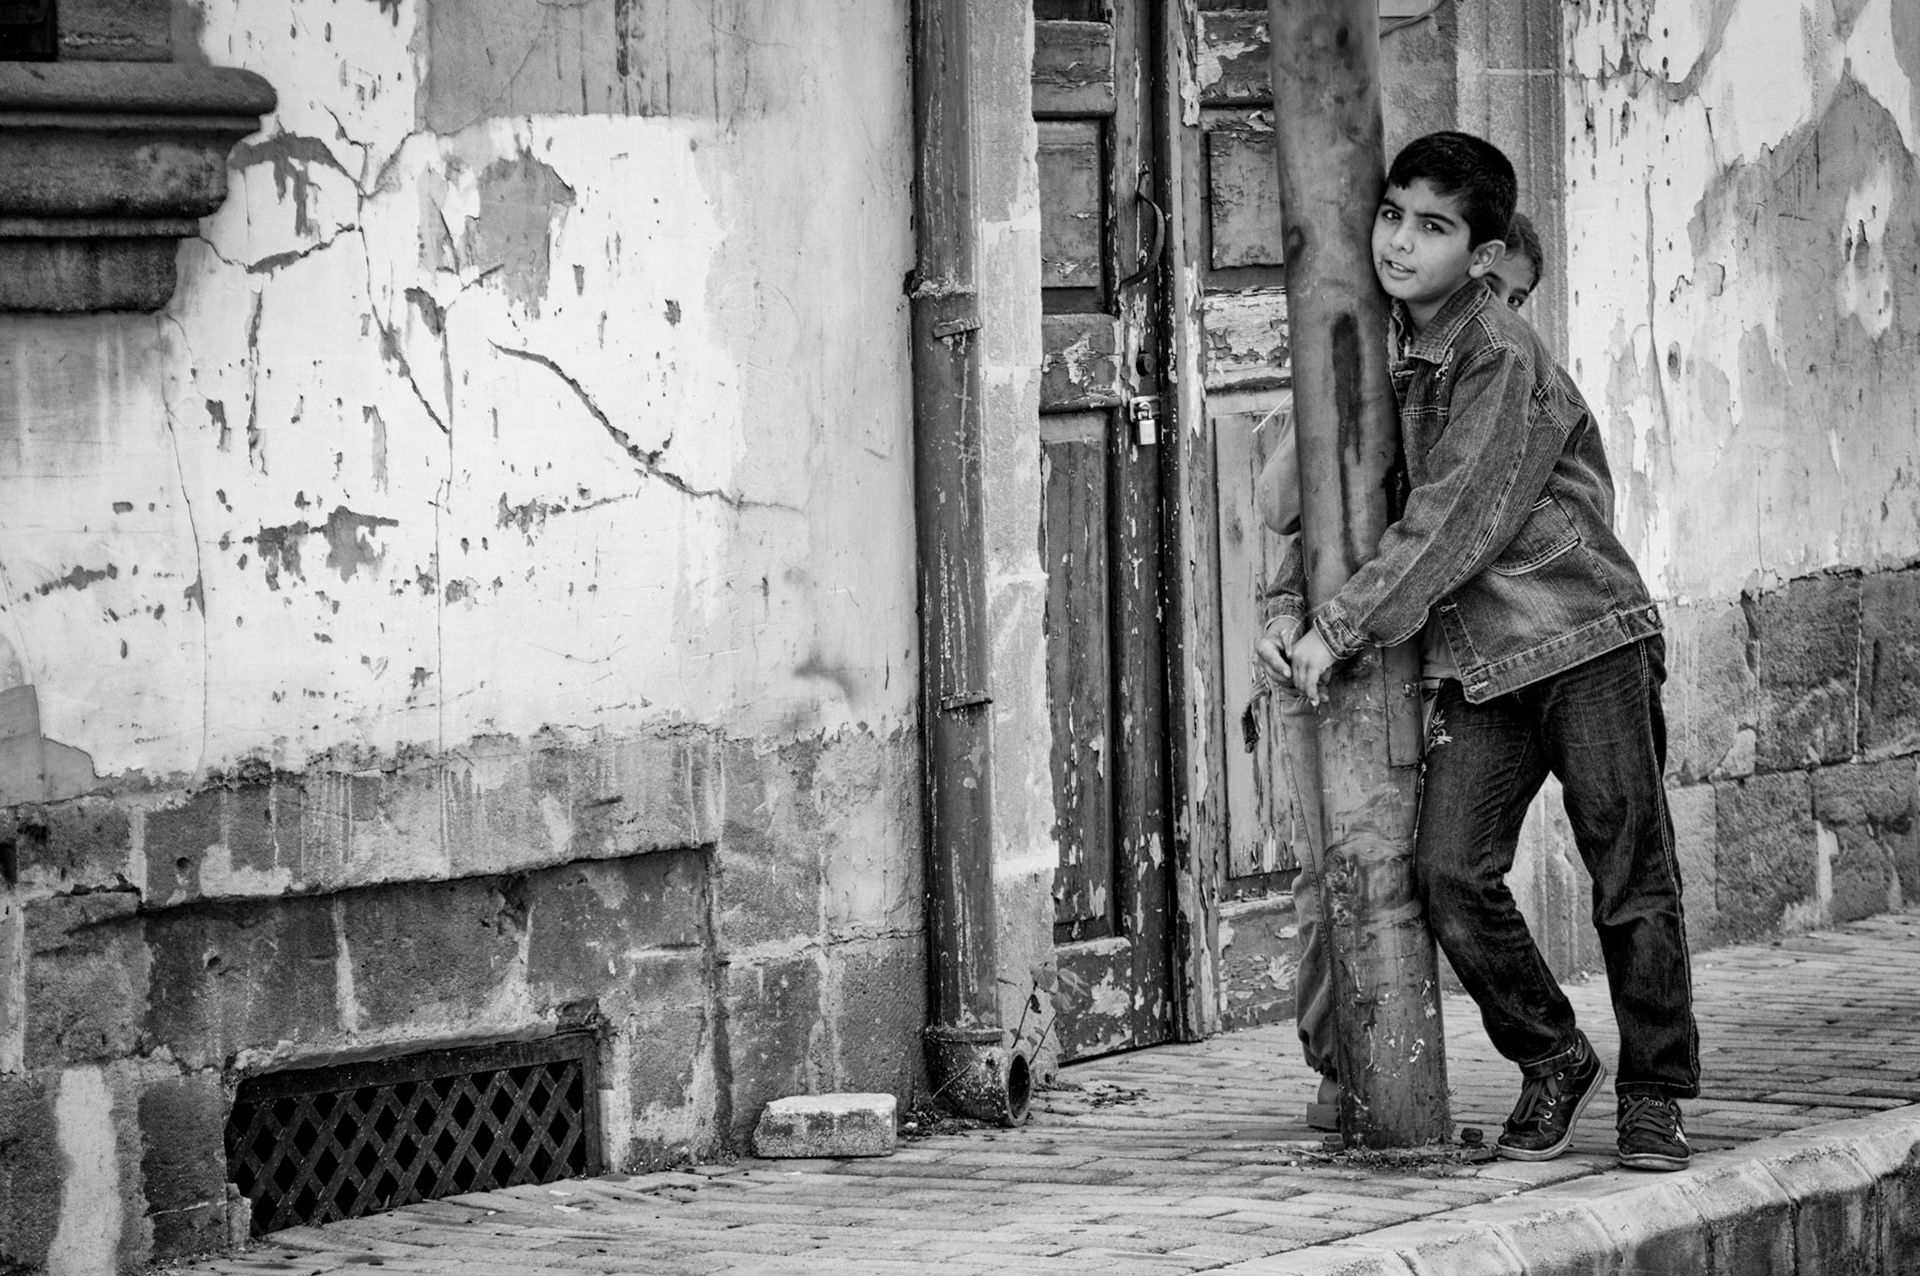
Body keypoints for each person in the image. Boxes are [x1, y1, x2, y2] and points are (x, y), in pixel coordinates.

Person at [1261, 132, 1699, 1171]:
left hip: (1581, 636)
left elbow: (1455, 513)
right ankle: (1553, 1056)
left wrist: (1341, 627)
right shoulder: (1377, 342)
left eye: (1433, 226)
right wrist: (1287, 603)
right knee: (1451, 873)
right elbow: (1325, 494)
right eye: (1392, 215)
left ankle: (1655, 1094)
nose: (1400, 241)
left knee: (1630, 873)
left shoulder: (1496, 350)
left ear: (1484, 253)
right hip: (1477, 663)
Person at [1252, 205, 1547, 1134]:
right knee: (1331, 872)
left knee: (1431, 871)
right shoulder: (1384, 363)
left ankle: (1409, 1065)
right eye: (1489, 293)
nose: (1492, 314)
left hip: (1440, 664)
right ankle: (1341, 1068)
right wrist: (1284, 612)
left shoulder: (1505, 386)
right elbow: (1282, 512)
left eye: (1513, 300)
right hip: (1330, 660)